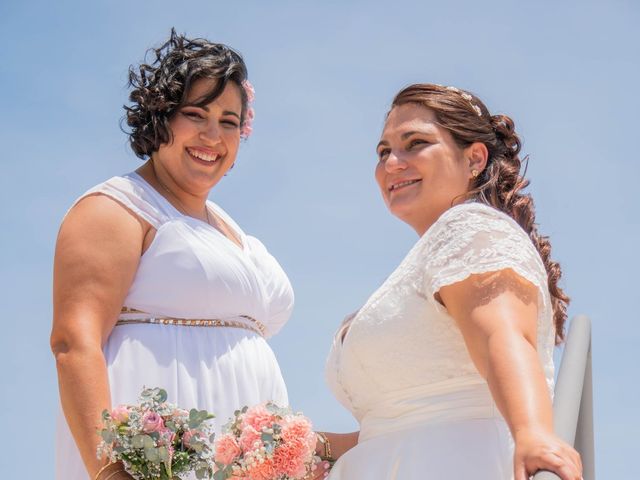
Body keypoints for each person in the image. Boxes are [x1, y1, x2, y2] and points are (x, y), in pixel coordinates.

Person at [50, 30, 313, 480]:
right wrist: (109, 469)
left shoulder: (232, 230)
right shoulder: (116, 209)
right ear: (160, 119)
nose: (213, 135)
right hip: (150, 462)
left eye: (229, 121)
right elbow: (74, 342)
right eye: (196, 114)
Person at [319, 84, 583, 479]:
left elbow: (503, 335)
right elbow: (400, 425)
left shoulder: (469, 226)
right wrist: (308, 446)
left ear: (474, 157)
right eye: (383, 151)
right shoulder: (428, 257)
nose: (393, 162)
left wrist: (534, 434)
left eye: (416, 143)